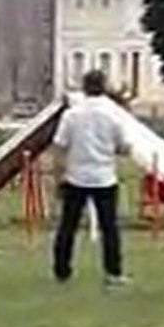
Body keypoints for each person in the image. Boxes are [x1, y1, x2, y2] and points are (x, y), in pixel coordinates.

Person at [52, 70, 131, 286]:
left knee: (68, 226)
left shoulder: (72, 115)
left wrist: (58, 177)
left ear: (84, 88)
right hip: (104, 177)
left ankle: (62, 270)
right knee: (110, 227)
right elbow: (123, 147)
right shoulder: (114, 115)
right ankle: (113, 272)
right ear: (104, 86)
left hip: (76, 176)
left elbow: (59, 147)